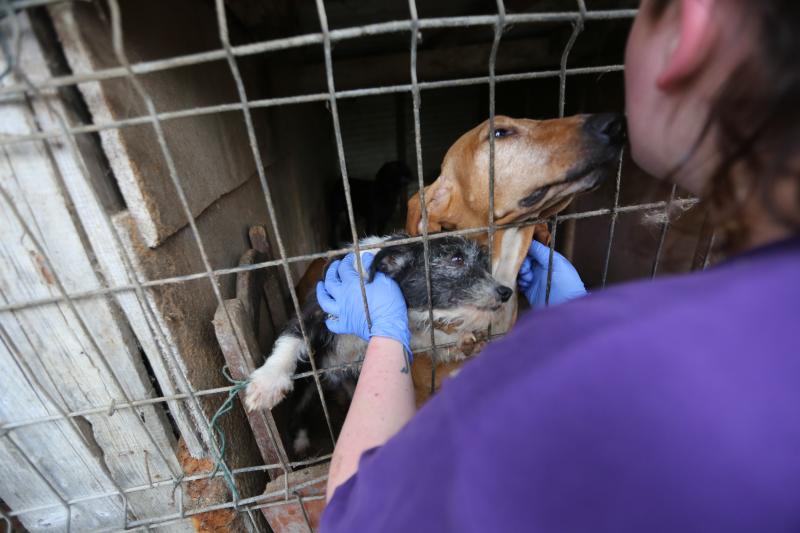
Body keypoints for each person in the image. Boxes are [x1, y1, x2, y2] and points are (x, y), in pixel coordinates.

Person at [316, 1, 799, 531]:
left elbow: (359, 517)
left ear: (691, 24)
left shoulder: (571, 357)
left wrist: (387, 341)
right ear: (434, 213)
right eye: (503, 134)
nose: (556, 131)